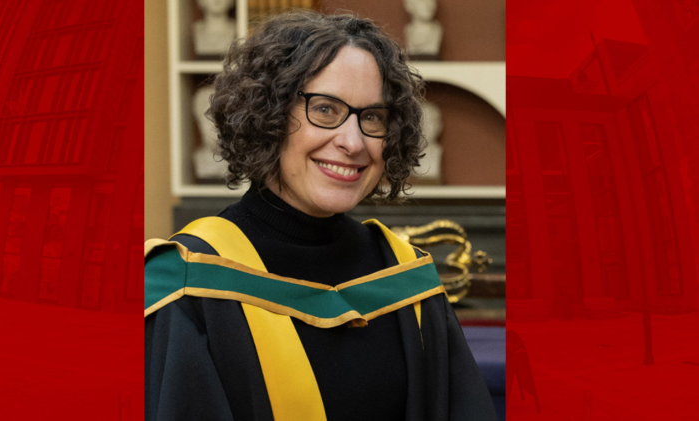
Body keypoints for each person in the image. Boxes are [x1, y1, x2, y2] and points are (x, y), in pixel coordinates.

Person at [145, 11, 497, 421]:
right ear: (269, 114)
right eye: (325, 109)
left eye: (372, 117)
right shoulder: (188, 284)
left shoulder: (404, 276)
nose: (353, 141)